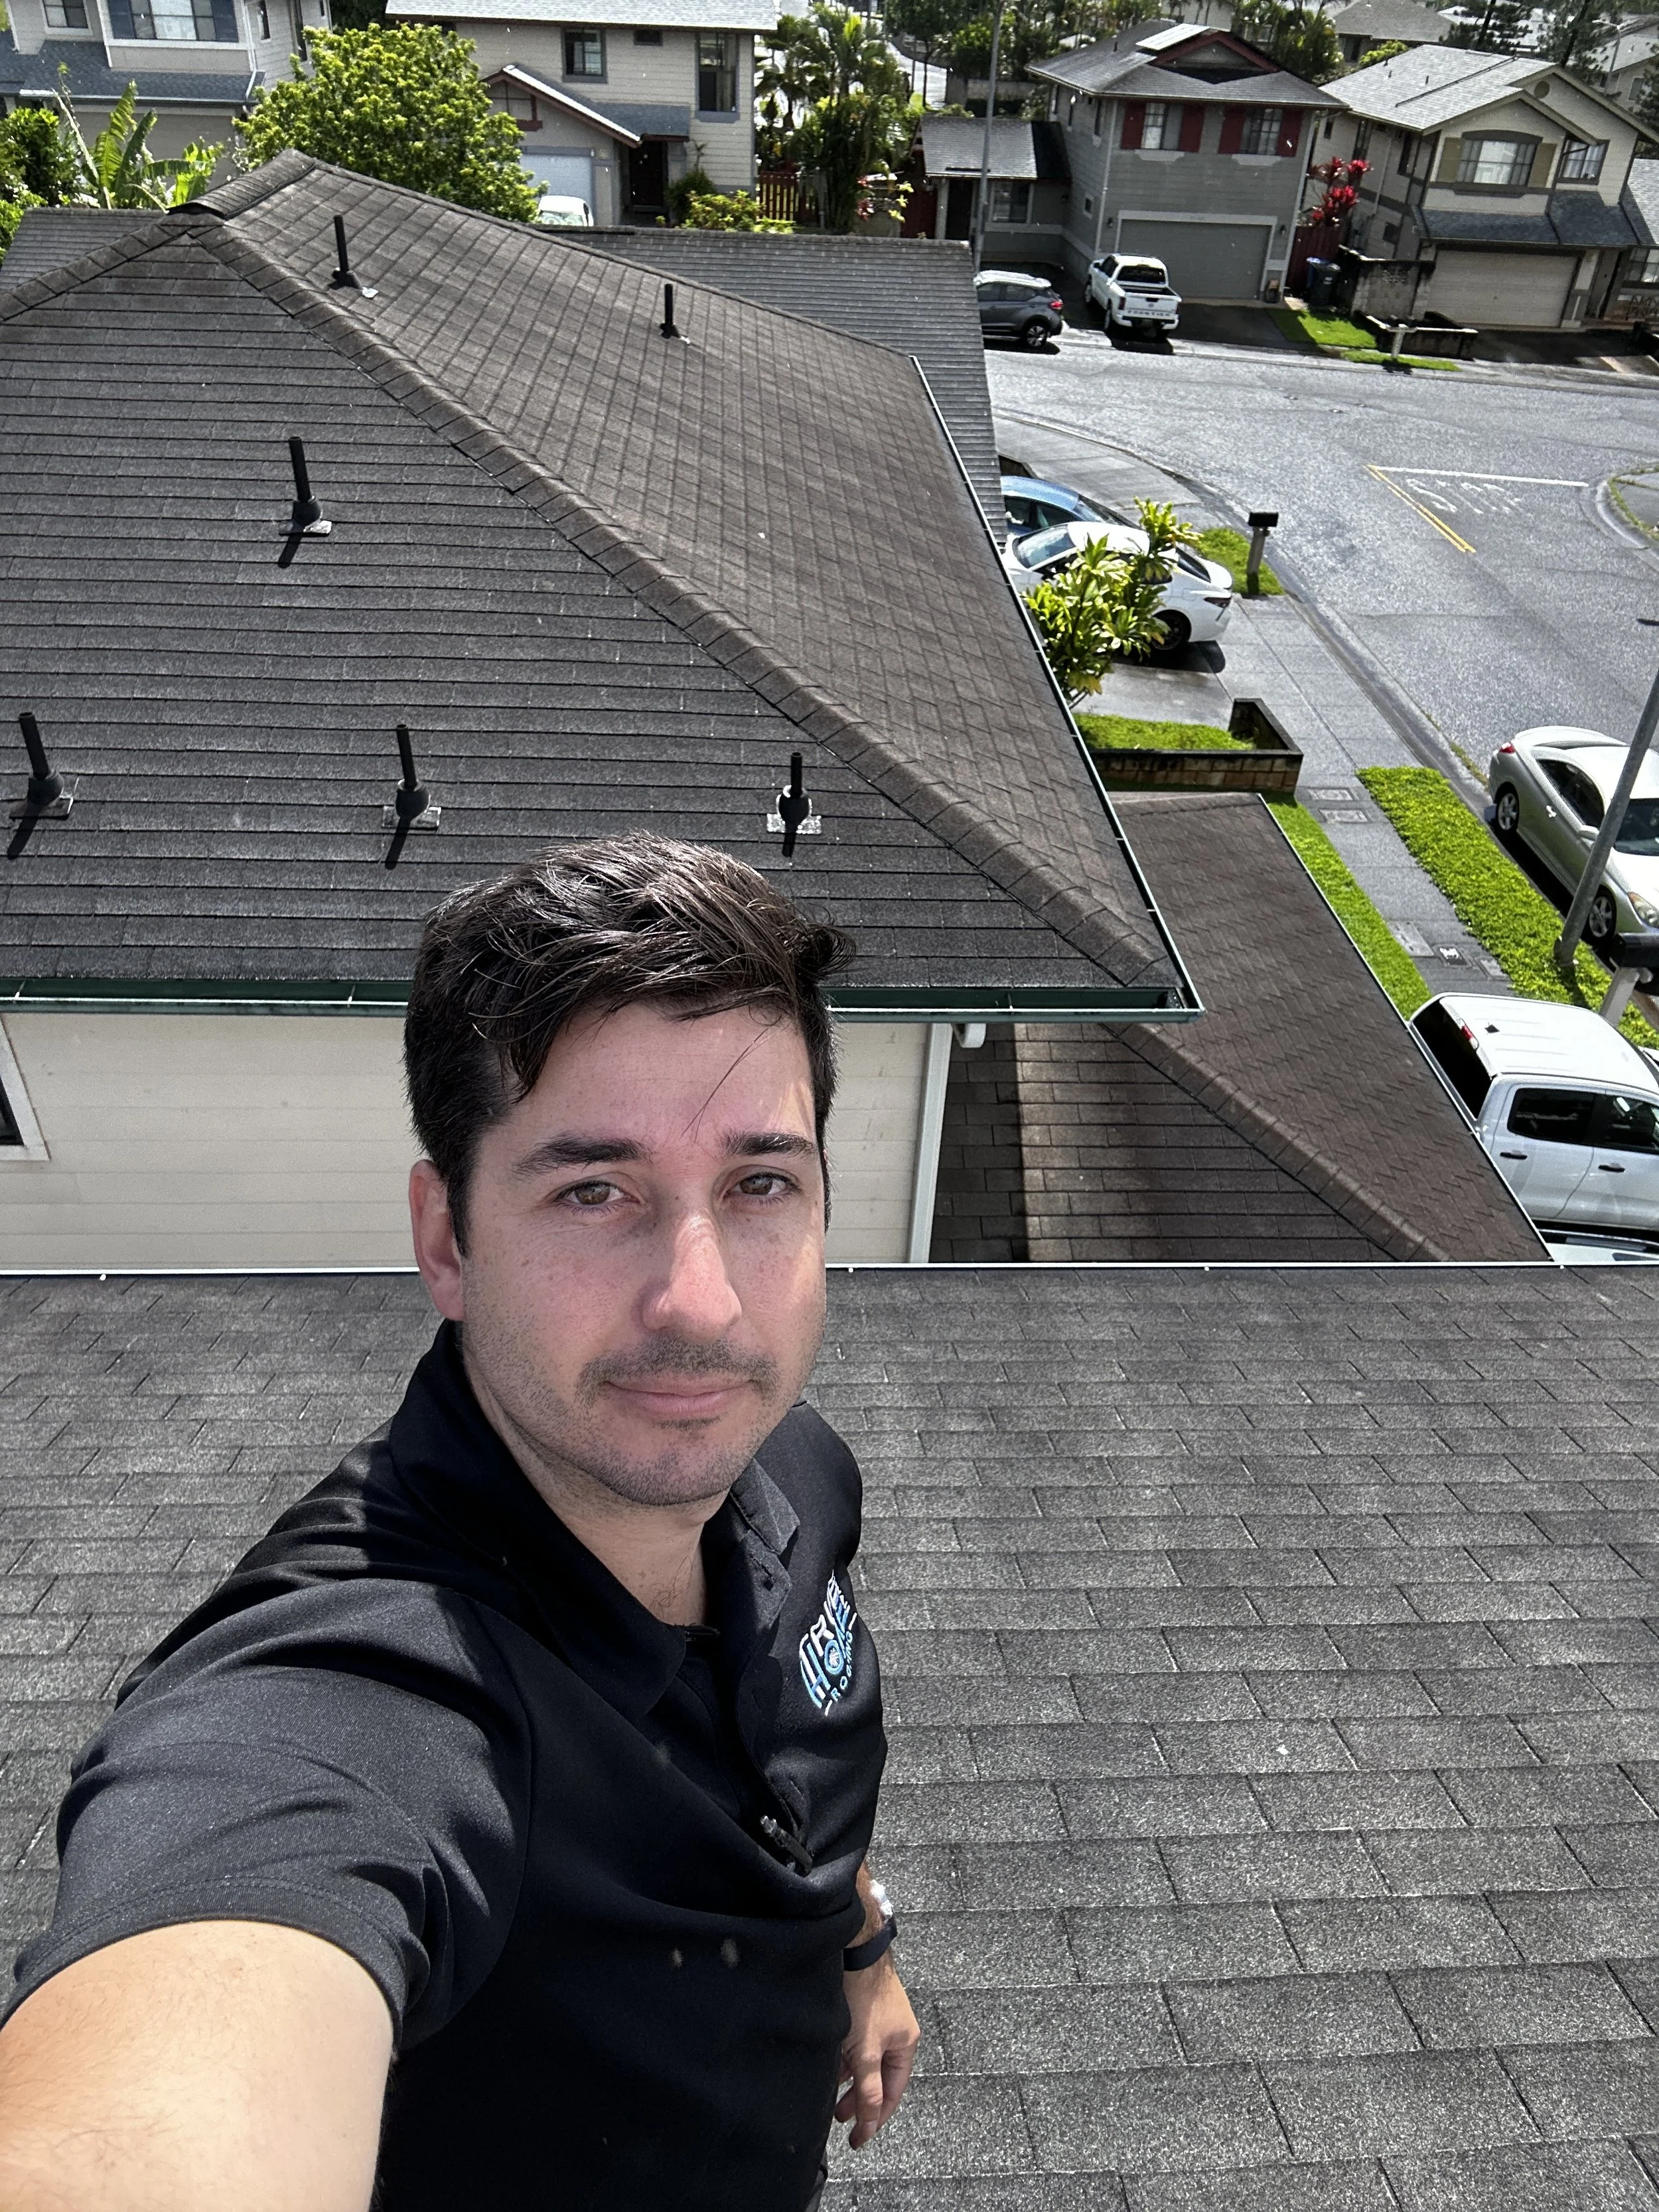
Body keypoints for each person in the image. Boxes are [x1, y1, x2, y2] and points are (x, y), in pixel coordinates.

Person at [0, 834, 919, 2212]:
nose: (702, 1303)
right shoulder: (352, 1696)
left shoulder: (792, 1469)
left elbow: (790, 1777)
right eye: (591, 1190)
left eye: (757, 1184)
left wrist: (858, 1948)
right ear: (446, 1239)